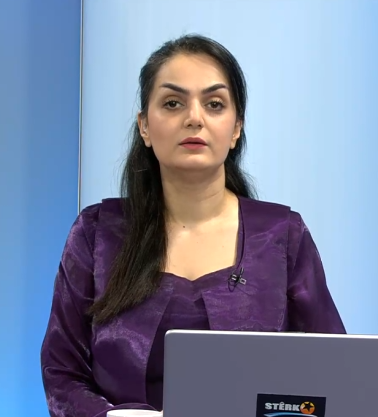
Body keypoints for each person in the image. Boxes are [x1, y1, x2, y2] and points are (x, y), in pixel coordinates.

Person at [40, 34, 346, 417]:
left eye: (214, 104)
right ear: (144, 126)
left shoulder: (283, 235)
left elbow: (332, 370)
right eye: (173, 103)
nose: (194, 118)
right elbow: (62, 373)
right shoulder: (96, 233)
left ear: (236, 128)